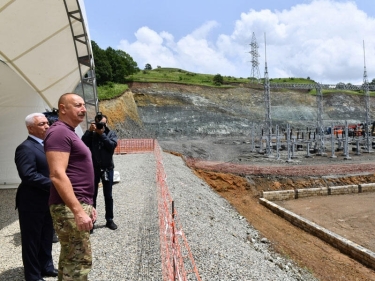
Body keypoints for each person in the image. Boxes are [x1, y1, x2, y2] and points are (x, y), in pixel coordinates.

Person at [44, 93, 97, 281]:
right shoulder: (59, 132)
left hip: (75, 204)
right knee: (78, 262)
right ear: (63, 108)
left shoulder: (67, 132)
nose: (83, 109)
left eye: (83, 105)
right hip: (68, 207)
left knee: (70, 259)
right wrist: (78, 210)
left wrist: (87, 205)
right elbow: (57, 175)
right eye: (77, 105)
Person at [15, 113, 58, 281]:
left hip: (48, 200)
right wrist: (55, 183)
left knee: (47, 235)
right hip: (31, 202)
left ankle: (46, 266)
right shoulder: (25, 148)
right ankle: (33, 275)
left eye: (47, 123)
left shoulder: (47, 145)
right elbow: (28, 175)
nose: (47, 126)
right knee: (32, 240)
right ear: (30, 128)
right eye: (42, 124)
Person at [81, 112, 118, 231]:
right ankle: (91, 220)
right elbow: (82, 143)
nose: (100, 126)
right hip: (94, 169)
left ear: (106, 123)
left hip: (107, 168)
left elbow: (111, 146)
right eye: (98, 123)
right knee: (92, 195)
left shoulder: (111, 133)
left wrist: (102, 134)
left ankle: (109, 220)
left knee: (108, 195)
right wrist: (89, 131)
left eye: (102, 123)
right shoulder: (92, 135)